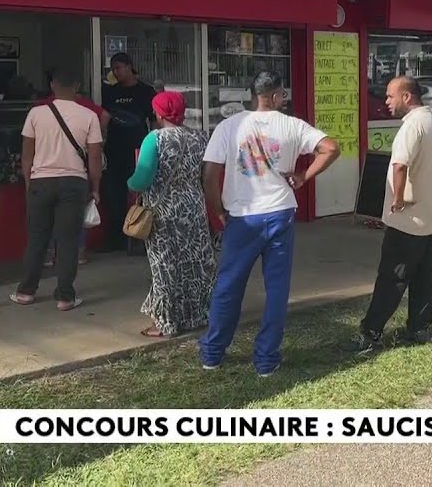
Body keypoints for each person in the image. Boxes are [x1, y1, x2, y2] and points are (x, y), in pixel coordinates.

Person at [198, 72, 340, 376]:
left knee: (228, 286)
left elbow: (209, 174)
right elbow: (331, 148)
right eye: (282, 94)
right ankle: (266, 360)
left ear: (254, 95)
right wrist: (303, 176)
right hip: (279, 213)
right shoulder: (293, 125)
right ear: (275, 96)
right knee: (276, 290)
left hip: (242, 216)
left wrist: (217, 209)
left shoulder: (228, 126)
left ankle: (212, 353)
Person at [343, 76, 432, 354]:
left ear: (407, 97)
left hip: (408, 220)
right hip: (431, 216)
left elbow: (400, 165)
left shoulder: (412, 125)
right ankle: (419, 328)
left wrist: (398, 200)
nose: (385, 101)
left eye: (390, 96)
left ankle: (371, 333)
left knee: (392, 277)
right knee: (425, 276)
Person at [12, 67, 104, 310]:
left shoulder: (36, 114)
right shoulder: (89, 116)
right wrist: (95, 188)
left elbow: (26, 155)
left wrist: (29, 183)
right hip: (74, 183)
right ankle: (65, 297)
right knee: (68, 241)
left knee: (37, 238)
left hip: (41, 182)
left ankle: (26, 292)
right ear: (77, 87)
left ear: (52, 85)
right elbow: (95, 158)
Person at [126, 91, 214, 338]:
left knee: (165, 266)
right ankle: (199, 315)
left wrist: (129, 184)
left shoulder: (154, 139)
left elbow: (141, 179)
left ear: (158, 112)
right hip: (194, 209)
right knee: (195, 264)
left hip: (163, 214)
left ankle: (166, 322)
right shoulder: (200, 138)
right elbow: (207, 175)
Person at [37, 68, 110, 267]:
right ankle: (78, 253)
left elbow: (28, 148)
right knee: (76, 215)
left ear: (52, 85)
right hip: (78, 172)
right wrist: (97, 138)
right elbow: (105, 116)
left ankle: (50, 254)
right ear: (76, 86)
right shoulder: (85, 108)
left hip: (45, 173)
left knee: (49, 216)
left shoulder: (41, 108)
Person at [101, 53, 158, 255]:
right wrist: (100, 140)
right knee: (114, 195)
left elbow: (154, 121)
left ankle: (139, 236)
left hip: (138, 151)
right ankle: (115, 237)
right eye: (113, 69)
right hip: (114, 150)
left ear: (129, 66)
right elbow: (105, 117)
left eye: (119, 67)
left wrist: (154, 145)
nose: (116, 72)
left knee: (139, 195)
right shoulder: (110, 92)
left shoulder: (145, 91)